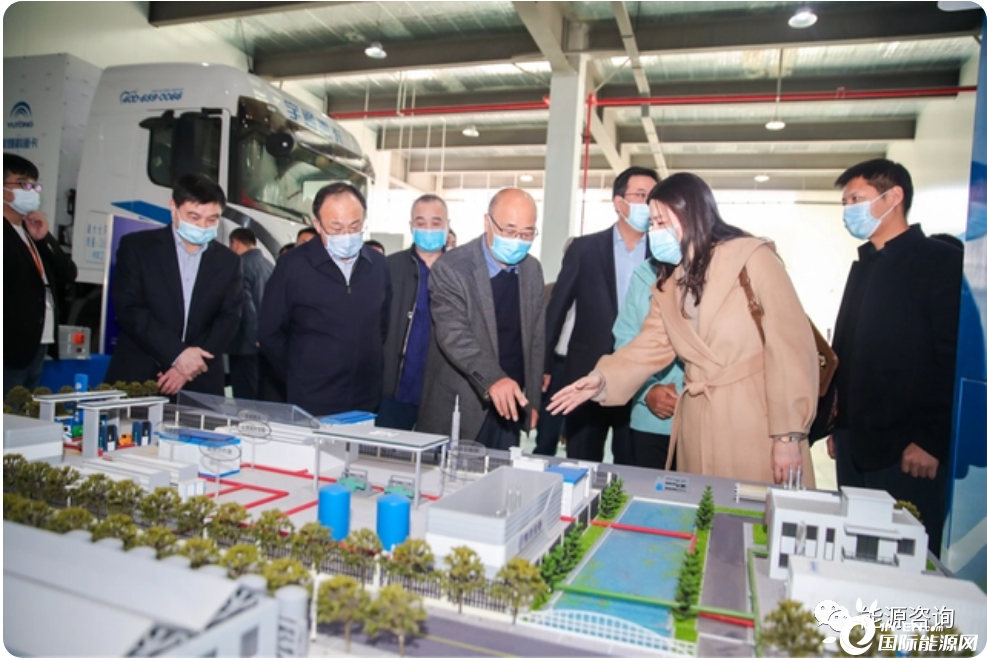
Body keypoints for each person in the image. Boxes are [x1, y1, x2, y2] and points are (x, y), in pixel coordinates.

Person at [549, 173, 818, 485]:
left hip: (757, 418)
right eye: (652, 224)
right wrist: (602, 379)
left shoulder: (752, 259)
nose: (654, 233)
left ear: (693, 215)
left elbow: (791, 349)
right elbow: (648, 346)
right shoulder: (670, 283)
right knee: (705, 508)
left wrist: (788, 436)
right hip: (697, 423)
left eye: (662, 222)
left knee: (755, 508)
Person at [828, 159, 962, 553]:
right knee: (856, 550)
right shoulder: (865, 265)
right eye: (845, 202)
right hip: (854, 444)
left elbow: (950, 359)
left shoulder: (939, 262)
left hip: (907, 450)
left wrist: (932, 440)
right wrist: (837, 423)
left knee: (903, 558)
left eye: (856, 198)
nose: (848, 209)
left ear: (893, 196)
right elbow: (847, 354)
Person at [543, 166, 659, 465]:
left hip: (638, 376)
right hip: (586, 371)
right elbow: (557, 309)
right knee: (582, 459)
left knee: (632, 462)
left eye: (653, 197)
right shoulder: (585, 249)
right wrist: (543, 366)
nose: (648, 203)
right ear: (619, 202)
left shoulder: (663, 254)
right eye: (641, 195)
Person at [417, 188, 546, 450]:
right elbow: (454, 335)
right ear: (487, 222)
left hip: (511, 404)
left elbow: (536, 339)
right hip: (462, 401)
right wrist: (494, 379)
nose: (517, 241)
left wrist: (532, 401)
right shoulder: (452, 268)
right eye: (509, 231)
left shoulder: (532, 269)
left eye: (527, 233)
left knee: (502, 471)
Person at [259, 183, 391, 417]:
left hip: (366, 398)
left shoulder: (378, 265)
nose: (346, 235)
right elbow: (270, 332)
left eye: (355, 226)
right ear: (318, 225)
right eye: (336, 227)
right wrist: (299, 374)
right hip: (312, 398)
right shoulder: (292, 266)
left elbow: (381, 326)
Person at [104, 174, 243, 396]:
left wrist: (188, 368)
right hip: (140, 373)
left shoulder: (229, 261)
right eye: (194, 217)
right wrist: (178, 354)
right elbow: (130, 308)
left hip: (200, 379)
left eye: (212, 219)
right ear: (173, 207)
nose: (202, 226)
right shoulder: (138, 247)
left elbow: (229, 318)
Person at [3, 153, 78, 394]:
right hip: (10, 346)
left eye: (35, 185)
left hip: (38, 343)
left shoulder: (30, 231)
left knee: (22, 410)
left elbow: (68, 273)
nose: (32, 191)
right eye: (23, 184)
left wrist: (44, 238)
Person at [379, 194, 450, 430]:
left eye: (436, 223)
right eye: (421, 223)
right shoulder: (389, 267)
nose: (428, 229)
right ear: (411, 226)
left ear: (447, 225)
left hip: (442, 393)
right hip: (393, 389)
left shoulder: (460, 272)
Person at [612, 260, 686, 469]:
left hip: (702, 423)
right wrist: (648, 390)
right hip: (650, 420)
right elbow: (625, 339)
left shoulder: (717, 272)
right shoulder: (644, 274)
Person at [533, 237, 575, 458]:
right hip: (554, 366)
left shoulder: (596, 293)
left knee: (578, 433)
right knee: (547, 430)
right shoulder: (550, 290)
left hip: (583, 368)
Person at [227, 227, 274, 400]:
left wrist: (255, 336)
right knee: (260, 392)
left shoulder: (239, 265)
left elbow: (246, 307)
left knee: (245, 396)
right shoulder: (269, 265)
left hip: (245, 344)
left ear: (235, 243)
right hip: (266, 343)